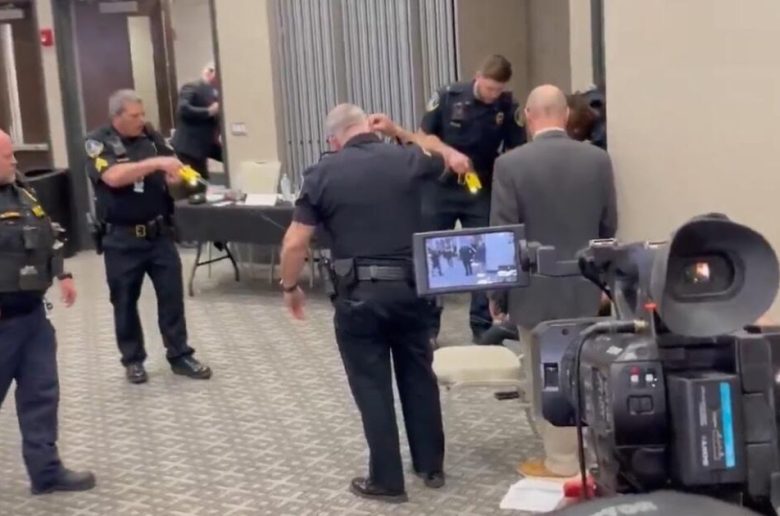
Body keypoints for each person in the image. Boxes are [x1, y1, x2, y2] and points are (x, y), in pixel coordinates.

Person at [279, 104, 446, 503]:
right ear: (367, 127)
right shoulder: (406, 158)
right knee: (419, 376)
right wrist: (400, 131)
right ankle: (430, 466)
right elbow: (445, 156)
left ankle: (387, 480)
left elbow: (295, 242)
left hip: (359, 297)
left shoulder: (321, 173)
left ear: (333, 140)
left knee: (372, 386)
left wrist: (290, 287)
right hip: (412, 291)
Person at [489, 84, 617, 478]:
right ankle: (587, 453)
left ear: (529, 117)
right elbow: (608, 226)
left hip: (534, 291)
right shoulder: (598, 160)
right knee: (585, 370)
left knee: (542, 374)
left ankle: (561, 461)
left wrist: (498, 295)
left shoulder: (510, 165)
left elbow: (504, 237)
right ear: (565, 115)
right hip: (585, 287)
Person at [85, 89, 212, 384]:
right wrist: (156, 164)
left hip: (159, 234)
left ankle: (180, 355)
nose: (141, 120)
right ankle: (133, 360)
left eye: (143, 114)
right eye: (134, 116)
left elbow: (172, 165)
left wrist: (177, 176)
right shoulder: (98, 141)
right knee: (125, 302)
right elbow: (113, 177)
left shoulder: (151, 137)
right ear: (116, 117)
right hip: (122, 239)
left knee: (171, 297)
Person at [0, 130, 96, 494]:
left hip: (32, 318)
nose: (15, 161)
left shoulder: (22, 191)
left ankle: (46, 473)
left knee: (41, 395)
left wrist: (62, 273)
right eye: (7, 156)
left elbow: (46, 234)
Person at [418, 54, 527, 345]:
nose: (492, 95)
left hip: (480, 186)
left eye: (498, 90)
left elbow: (516, 149)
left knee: (483, 253)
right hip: (441, 184)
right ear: (477, 76)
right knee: (433, 253)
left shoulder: (508, 107)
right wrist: (449, 153)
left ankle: (482, 326)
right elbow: (423, 137)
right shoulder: (448, 96)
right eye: (489, 88)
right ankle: (428, 327)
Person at [170, 62, 222, 181]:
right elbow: (183, 109)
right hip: (186, 151)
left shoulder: (214, 92)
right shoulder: (192, 86)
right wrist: (208, 111)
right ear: (210, 72)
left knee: (202, 184)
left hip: (202, 150)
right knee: (191, 184)